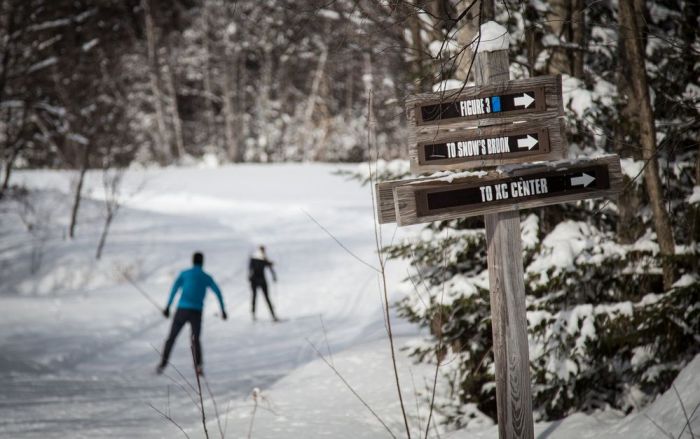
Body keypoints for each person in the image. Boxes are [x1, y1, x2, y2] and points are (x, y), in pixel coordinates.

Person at [157, 252, 227, 375]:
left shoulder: (185, 274)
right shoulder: (206, 277)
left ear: (192, 261)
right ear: (202, 262)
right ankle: (198, 367)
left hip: (182, 310)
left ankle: (162, 364)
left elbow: (174, 289)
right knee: (195, 340)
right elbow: (218, 292)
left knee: (171, 338)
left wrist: (167, 306)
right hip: (196, 312)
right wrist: (223, 310)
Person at [249, 245, 278, 321]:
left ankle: (254, 315)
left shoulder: (254, 258)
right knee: (264, 297)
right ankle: (272, 315)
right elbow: (269, 266)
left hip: (255, 280)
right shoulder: (262, 258)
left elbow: (250, 269)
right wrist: (274, 276)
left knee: (256, 297)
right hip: (259, 280)